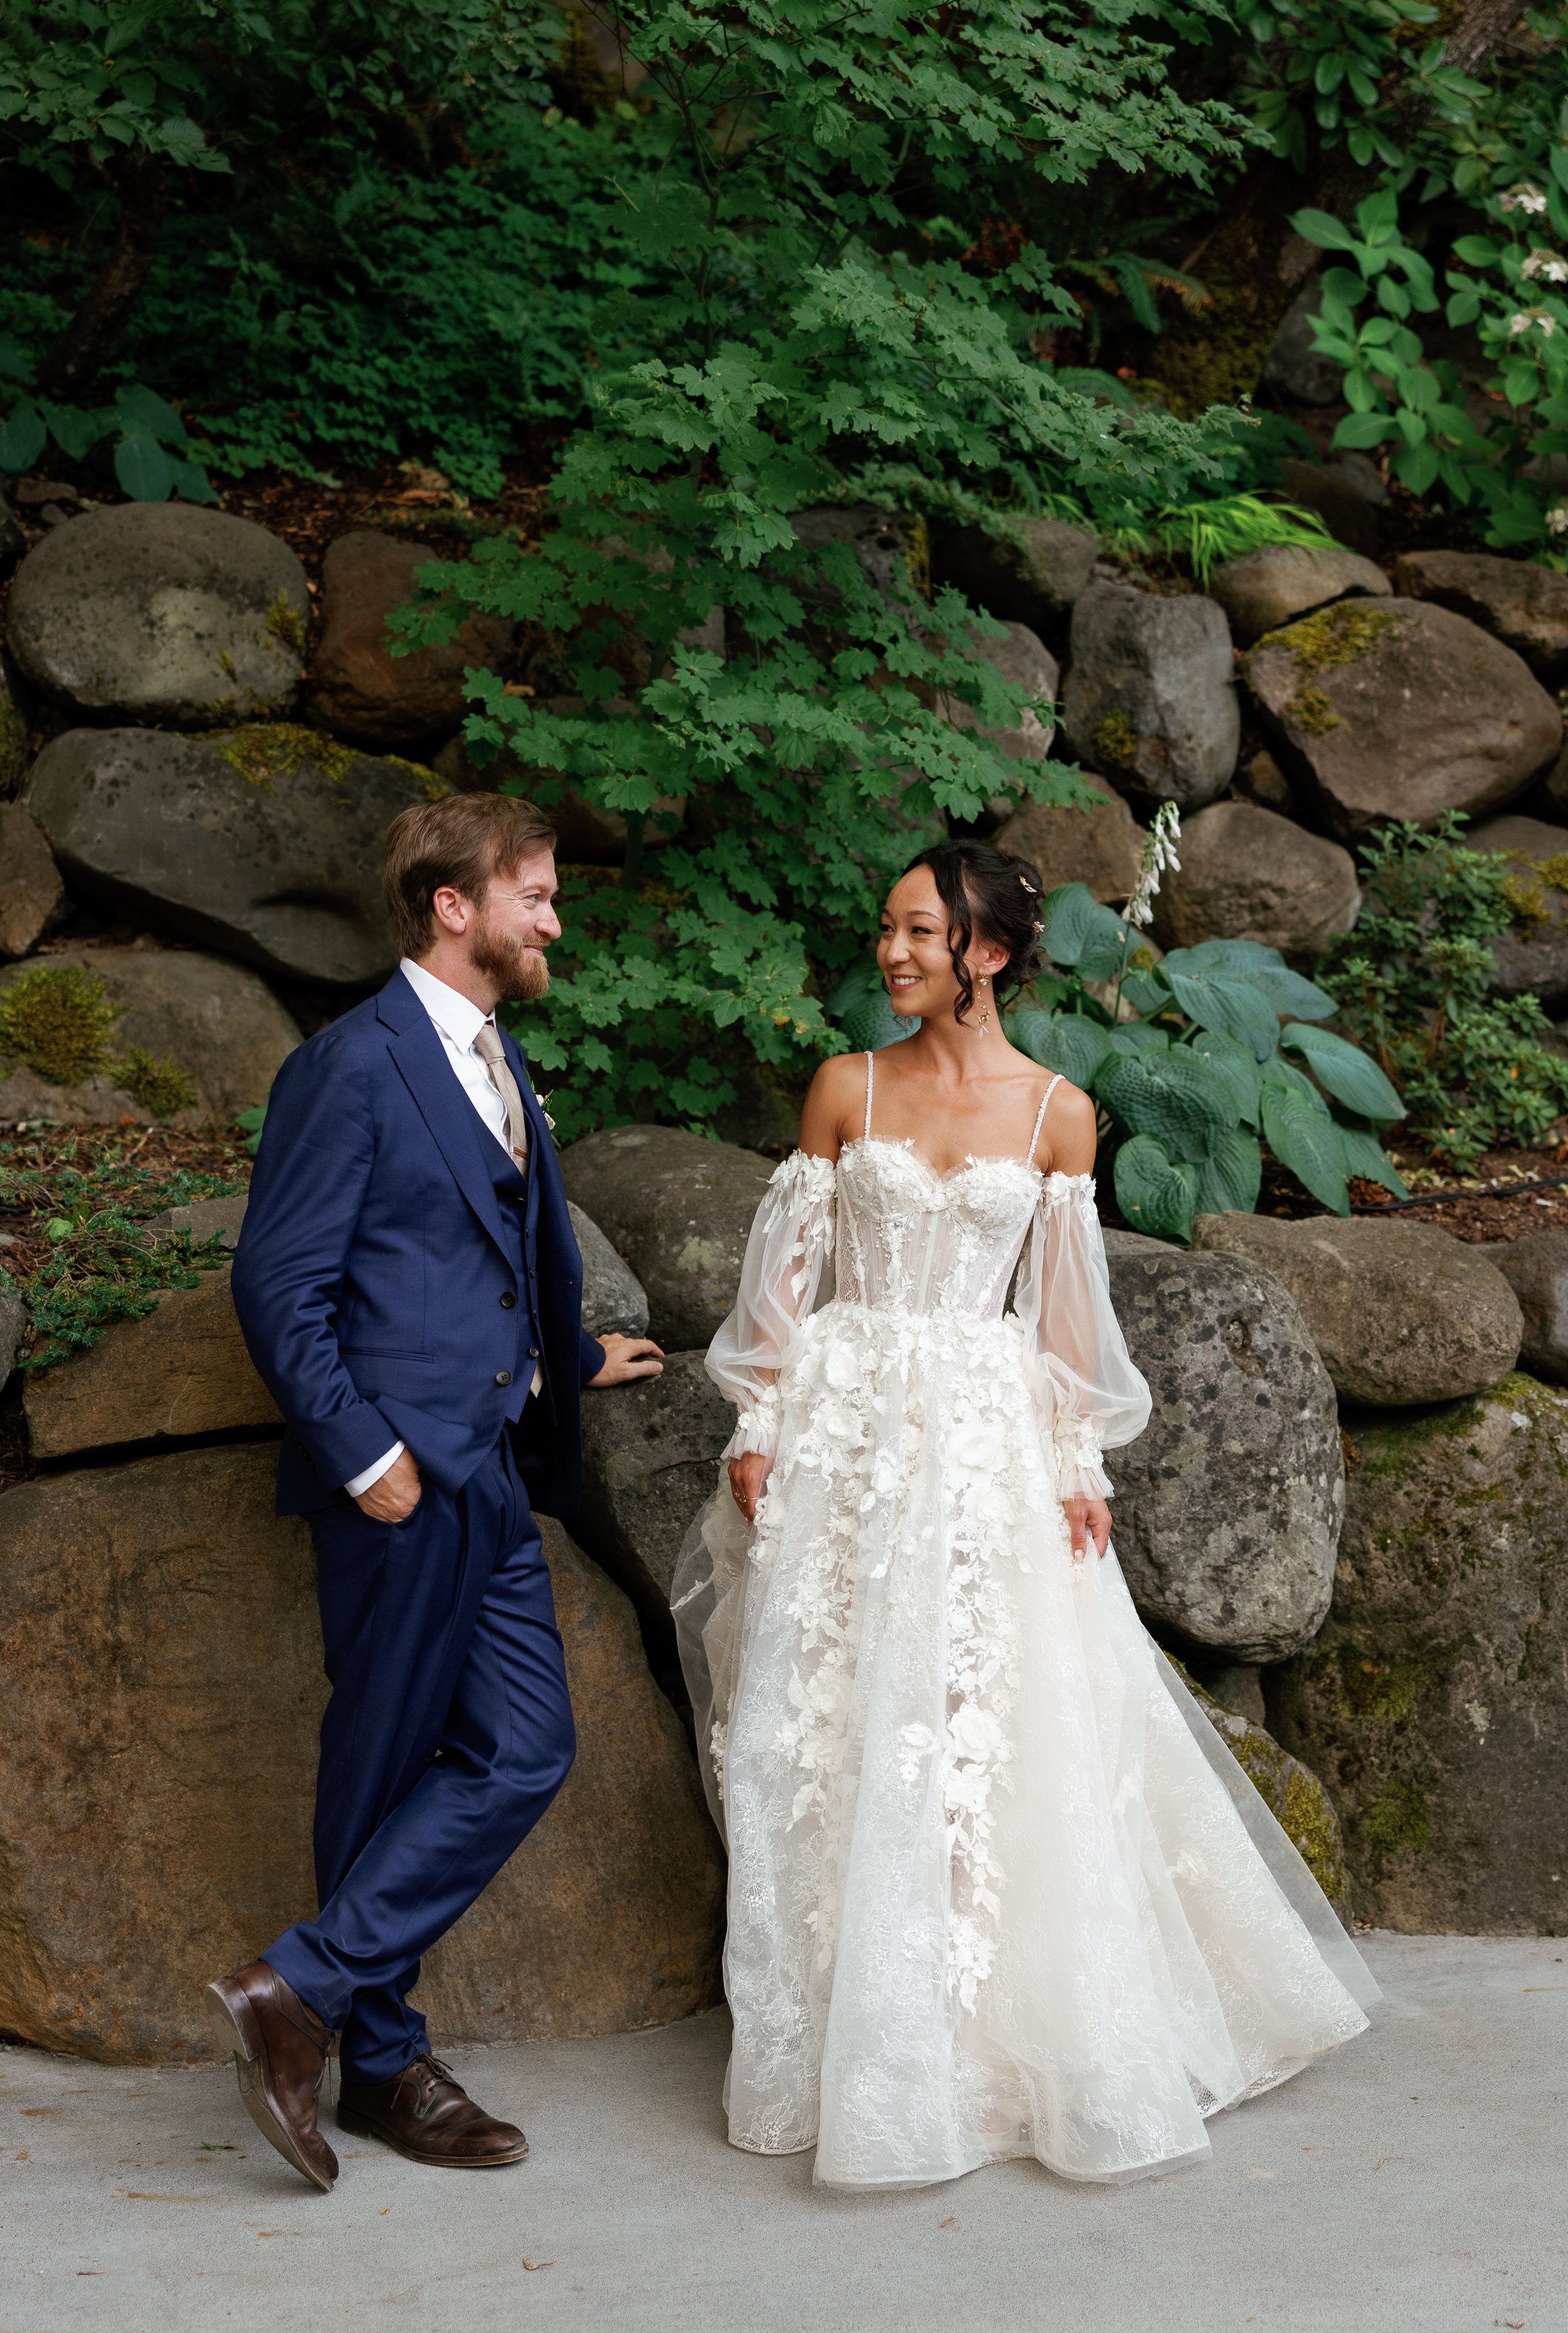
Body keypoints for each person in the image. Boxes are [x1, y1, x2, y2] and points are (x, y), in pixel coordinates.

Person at [671, 836, 1379, 2190]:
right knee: (827, 1722)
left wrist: (1078, 1468)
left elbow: (1065, 1317)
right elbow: (785, 1281)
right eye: (888, 927)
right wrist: (757, 1423)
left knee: (984, 1725)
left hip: (986, 1445)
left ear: (985, 953)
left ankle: (983, 2045)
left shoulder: (1059, 1111)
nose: (893, 952)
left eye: (921, 933)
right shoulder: (845, 1087)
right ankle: (850, 2042)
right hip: (853, 1433)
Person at [208, 793, 662, 2191]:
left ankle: (305, 1987)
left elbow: (481, 1248)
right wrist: (363, 1451)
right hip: (402, 1475)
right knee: (388, 1761)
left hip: (498, 1472)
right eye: (534, 893)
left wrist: (571, 1351)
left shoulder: (493, 1060)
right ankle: (384, 2059)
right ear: (453, 906)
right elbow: (277, 1282)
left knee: (524, 1748)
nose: (553, 919)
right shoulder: (351, 1065)